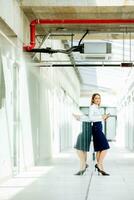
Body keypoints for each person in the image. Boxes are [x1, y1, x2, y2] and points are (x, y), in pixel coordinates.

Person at [89, 93, 110, 176]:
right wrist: (102, 117)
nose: (98, 100)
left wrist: (104, 118)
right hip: (96, 128)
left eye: (99, 98)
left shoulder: (97, 108)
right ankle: (99, 164)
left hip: (98, 127)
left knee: (99, 149)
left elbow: (97, 118)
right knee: (105, 147)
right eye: (96, 98)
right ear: (93, 99)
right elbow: (91, 118)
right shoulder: (92, 107)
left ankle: (101, 169)